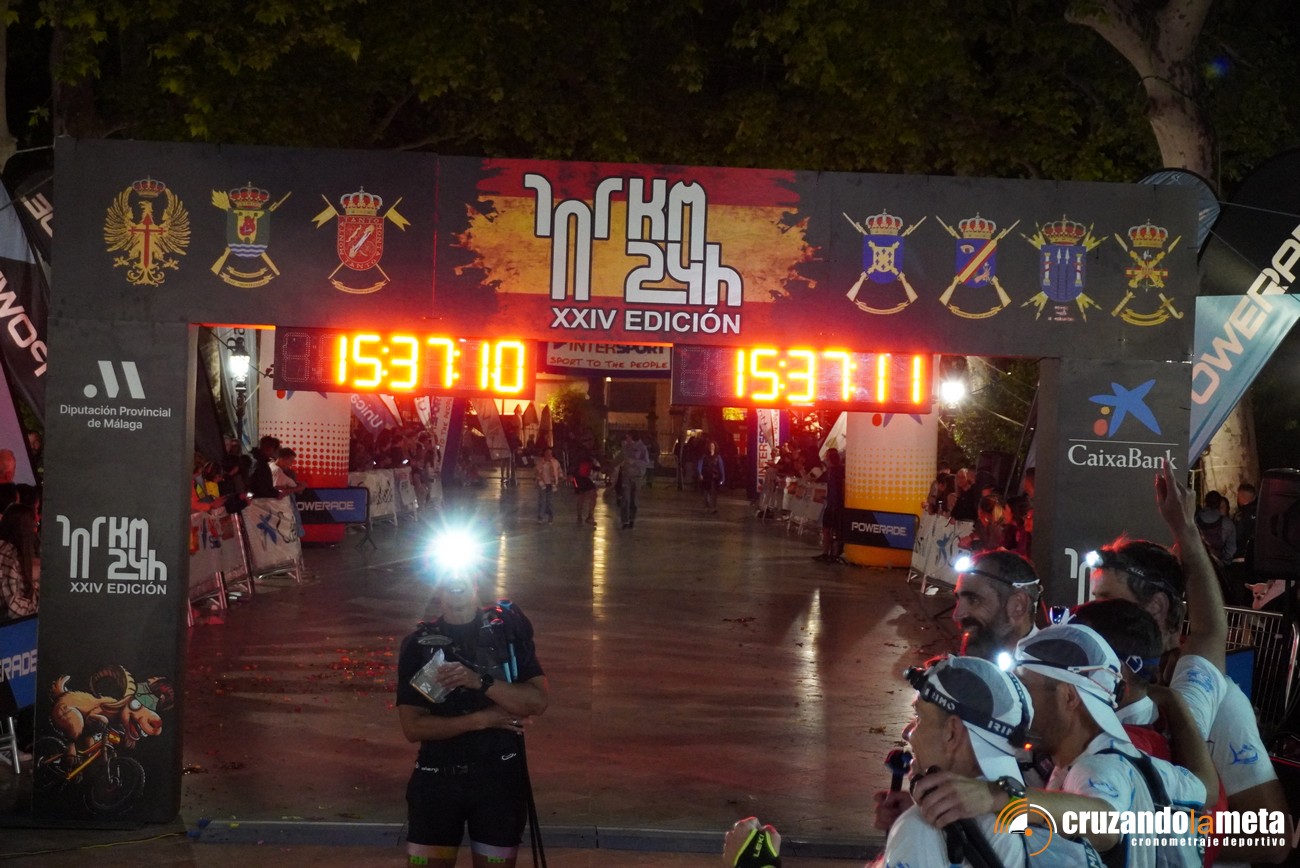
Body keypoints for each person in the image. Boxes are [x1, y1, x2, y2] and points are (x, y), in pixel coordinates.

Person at [1090, 460, 1293, 866]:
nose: (1093, 615)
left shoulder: (1215, 699)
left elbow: (1273, 837)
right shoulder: (1097, 683)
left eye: (1106, 601)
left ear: (1156, 606)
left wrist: (1158, 834)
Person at [913, 622, 1215, 868]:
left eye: (1026, 689)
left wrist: (998, 797)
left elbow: (1105, 821)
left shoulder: (1097, 768)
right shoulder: (1134, 763)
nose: (1019, 703)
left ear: (1068, 697)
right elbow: (1205, 790)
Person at [395, 542, 549, 868]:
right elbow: (413, 727)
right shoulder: (417, 644)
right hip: (436, 780)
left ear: (476, 579)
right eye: (447, 574)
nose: (455, 580)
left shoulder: (506, 634)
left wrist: (479, 681)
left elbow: (536, 702)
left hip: (499, 781)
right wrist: (482, 720)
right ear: (437, 585)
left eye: (462, 572)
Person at [951, 549, 1039, 660]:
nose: (956, 615)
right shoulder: (950, 666)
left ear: (1018, 606)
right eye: (958, 600)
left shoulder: (1047, 668)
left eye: (973, 600)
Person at [0, 502, 39, 620]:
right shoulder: (9, 556)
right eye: (34, 525)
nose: (36, 530)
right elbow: (13, 608)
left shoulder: (8, 551)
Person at [814, 448, 845, 563]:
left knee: (830, 529)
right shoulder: (838, 471)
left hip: (834, 504)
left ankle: (830, 553)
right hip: (835, 504)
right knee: (831, 529)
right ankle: (831, 553)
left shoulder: (833, 472)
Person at [1194, 489, 1235, 563]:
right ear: (1219, 503)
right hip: (1217, 563)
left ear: (1205, 502)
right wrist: (1223, 563)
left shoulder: (1195, 520)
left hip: (1198, 563)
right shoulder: (1227, 523)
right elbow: (1231, 549)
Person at [618, 431, 649, 529]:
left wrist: (635, 462)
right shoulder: (625, 447)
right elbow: (619, 458)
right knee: (625, 498)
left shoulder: (642, 448)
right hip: (626, 476)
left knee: (634, 499)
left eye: (628, 437)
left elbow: (646, 462)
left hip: (637, 476)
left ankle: (632, 519)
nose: (626, 439)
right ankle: (625, 521)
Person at [533, 446, 563, 524]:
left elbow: (559, 471)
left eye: (550, 453)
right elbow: (536, 472)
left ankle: (550, 516)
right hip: (542, 484)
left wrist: (560, 478)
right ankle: (540, 517)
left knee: (550, 502)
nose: (549, 455)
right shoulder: (540, 462)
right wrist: (538, 480)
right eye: (547, 453)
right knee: (542, 501)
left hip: (552, 485)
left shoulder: (555, 462)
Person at [570, 452, 598, 527]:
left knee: (592, 495)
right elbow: (574, 466)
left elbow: (591, 466)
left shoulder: (589, 456)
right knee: (582, 496)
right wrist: (571, 475)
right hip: (579, 478)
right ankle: (581, 516)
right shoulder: (581, 455)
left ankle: (589, 516)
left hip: (585, 478)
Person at [698, 440, 726, 515]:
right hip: (706, 476)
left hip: (714, 477)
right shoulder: (704, 456)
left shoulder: (718, 457)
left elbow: (721, 467)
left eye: (713, 446)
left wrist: (723, 478)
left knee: (713, 493)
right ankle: (706, 507)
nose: (711, 447)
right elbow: (700, 464)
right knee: (706, 493)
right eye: (710, 446)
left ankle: (713, 507)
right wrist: (700, 473)